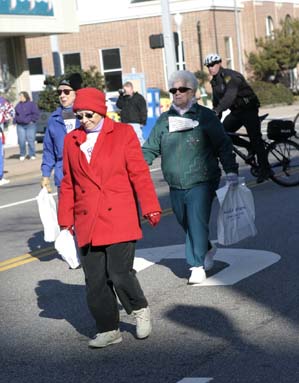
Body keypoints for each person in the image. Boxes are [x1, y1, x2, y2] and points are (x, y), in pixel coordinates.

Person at [57, 87, 161, 349]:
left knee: (119, 272)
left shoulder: (123, 133)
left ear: (101, 111)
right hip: (87, 218)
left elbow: (138, 173)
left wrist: (150, 206)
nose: (84, 120)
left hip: (119, 214)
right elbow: (68, 183)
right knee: (95, 280)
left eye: (88, 114)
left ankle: (139, 308)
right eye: (79, 115)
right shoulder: (72, 140)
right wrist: (64, 222)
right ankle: (107, 328)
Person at [142, 70, 238, 285]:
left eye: (182, 89)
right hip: (175, 184)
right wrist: (136, 167)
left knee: (196, 220)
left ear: (193, 92)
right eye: (173, 90)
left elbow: (223, 144)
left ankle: (196, 265)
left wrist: (231, 170)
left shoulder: (205, 116)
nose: (177, 93)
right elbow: (149, 148)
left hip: (202, 180)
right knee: (186, 222)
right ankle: (206, 247)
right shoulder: (164, 120)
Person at [204, 53, 272, 183]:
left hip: (249, 110)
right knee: (225, 133)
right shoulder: (214, 81)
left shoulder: (230, 76)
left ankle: (265, 169)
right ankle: (249, 147)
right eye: (208, 66)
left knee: (256, 139)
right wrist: (214, 117)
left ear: (219, 63)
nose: (210, 68)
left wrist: (218, 110)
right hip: (236, 112)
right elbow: (216, 101)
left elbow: (230, 96)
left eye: (212, 65)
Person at [41, 73, 83, 193]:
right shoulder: (53, 119)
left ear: (76, 92)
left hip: (85, 174)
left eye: (66, 91)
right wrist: (45, 175)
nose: (62, 95)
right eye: (59, 92)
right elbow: (48, 150)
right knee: (65, 211)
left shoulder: (86, 115)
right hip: (63, 176)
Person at [14, 91, 40, 161]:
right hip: (20, 125)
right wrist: (15, 121)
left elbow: (36, 113)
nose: (20, 98)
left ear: (25, 96)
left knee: (30, 140)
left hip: (30, 125)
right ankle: (22, 154)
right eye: (19, 96)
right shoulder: (18, 105)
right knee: (21, 140)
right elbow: (16, 114)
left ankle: (32, 154)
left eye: (21, 96)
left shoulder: (31, 104)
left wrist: (32, 120)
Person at [0, 94, 15, 186]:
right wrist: (7, 117)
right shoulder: (2, 101)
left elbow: (11, 110)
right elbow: (11, 111)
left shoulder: (2, 101)